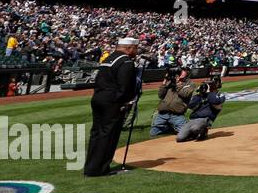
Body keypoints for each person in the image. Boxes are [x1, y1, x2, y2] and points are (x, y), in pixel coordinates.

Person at [83, 36, 141, 177]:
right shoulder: (126, 62)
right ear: (129, 48)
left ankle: (91, 167)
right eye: (135, 48)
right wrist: (125, 102)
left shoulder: (107, 60)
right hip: (112, 102)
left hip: (98, 98)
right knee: (108, 135)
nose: (136, 51)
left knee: (96, 133)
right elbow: (125, 86)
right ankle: (100, 168)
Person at [150, 67, 194, 137]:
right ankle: (169, 128)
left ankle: (175, 126)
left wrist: (177, 83)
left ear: (187, 74)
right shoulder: (171, 82)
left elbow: (185, 94)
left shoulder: (189, 84)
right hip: (163, 114)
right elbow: (160, 95)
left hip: (177, 115)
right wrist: (165, 81)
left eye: (181, 72)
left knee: (186, 133)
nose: (179, 73)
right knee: (153, 132)